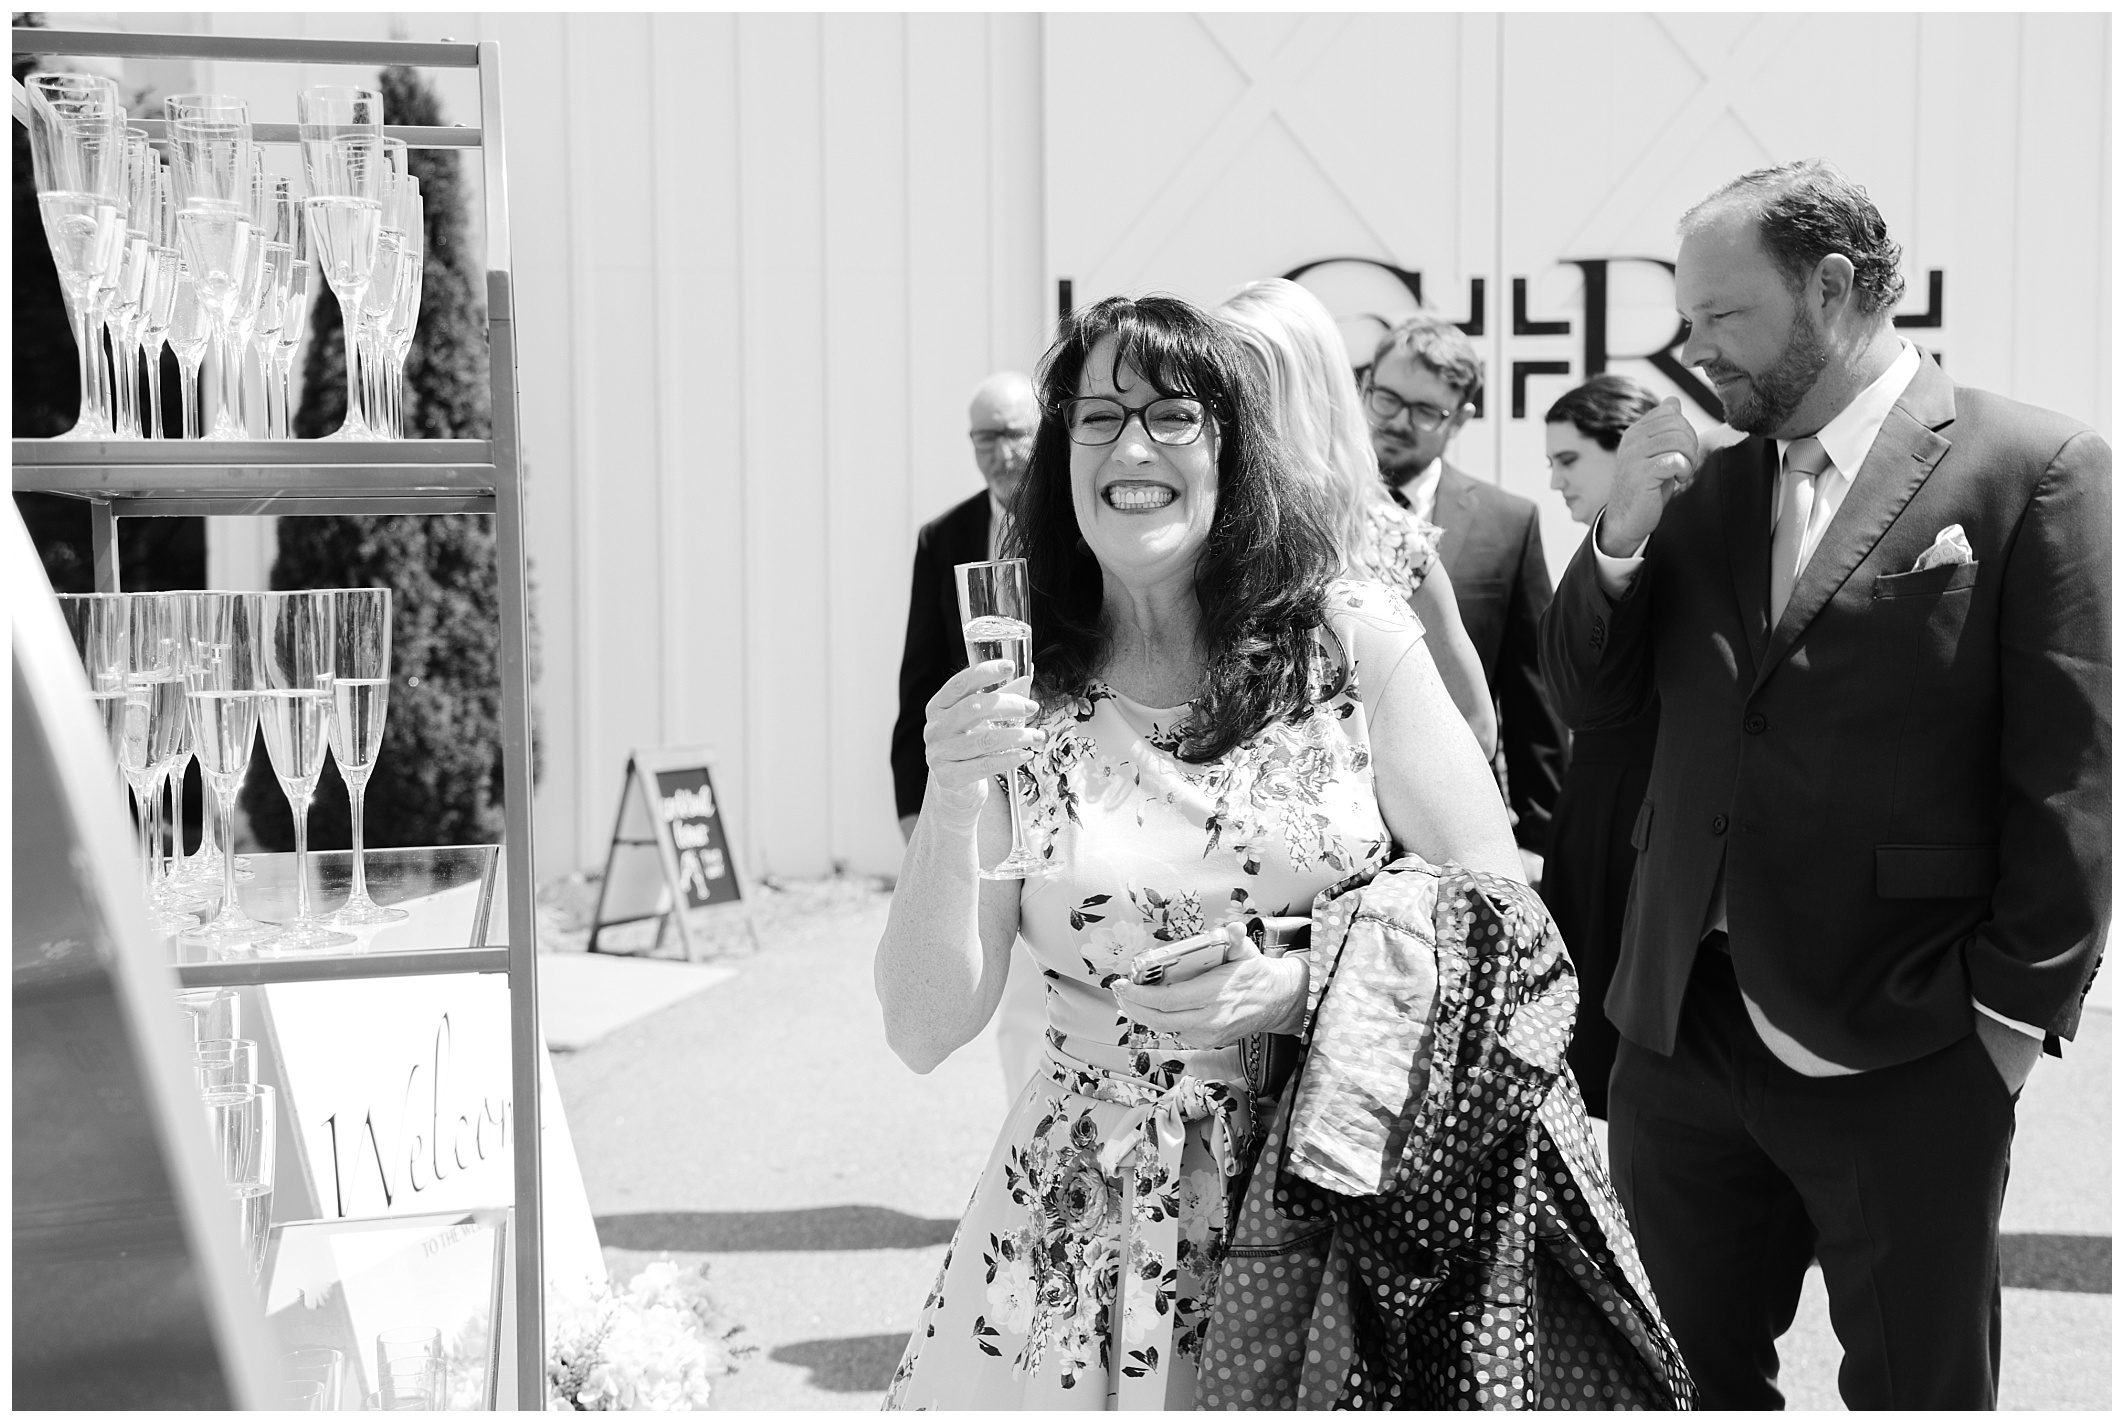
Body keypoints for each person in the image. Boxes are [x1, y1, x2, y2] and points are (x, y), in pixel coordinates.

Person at [876, 294, 1522, 1409]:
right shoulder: (1023, 690)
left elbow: (1505, 915)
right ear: (1061, 455)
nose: (1134, 446)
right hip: (1081, 1227)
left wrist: (1298, 986)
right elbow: (923, 1027)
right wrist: (950, 794)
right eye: (1098, 417)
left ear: (1236, 449)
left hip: (1325, 1193)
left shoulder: (1350, 639)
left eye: (1175, 414)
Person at [1538, 159, 2110, 1409]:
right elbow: (1593, 699)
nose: (1693, 351)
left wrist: (2003, 1031)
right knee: (1671, 1387)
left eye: (1721, 316)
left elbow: (2068, 779)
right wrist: (1619, 537)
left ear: (1835, 287)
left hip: (1907, 1043)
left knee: (1918, 1393)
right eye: (1685, 319)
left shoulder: (2036, 466)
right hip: (1680, 1038)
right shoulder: (1700, 485)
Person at [1215, 277, 1497, 758]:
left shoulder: (1390, 543)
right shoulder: (1185, 529)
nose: (1228, 415)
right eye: (1213, 390)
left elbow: (1474, 727)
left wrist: (1368, 798)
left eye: (1250, 392)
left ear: (1302, 396)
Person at [1364, 313, 1569, 882]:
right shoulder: (1307, 509)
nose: (1400, 422)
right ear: (1364, 387)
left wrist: (1536, 842)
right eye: (1387, 399)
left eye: (1427, 411)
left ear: (1462, 419)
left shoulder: (1509, 522)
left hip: (1457, 829)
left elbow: (1534, 698)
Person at [890, 370, 1048, 1101]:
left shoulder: (1077, 525)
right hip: (982, 789)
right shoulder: (943, 535)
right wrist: (918, 811)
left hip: (1059, 781)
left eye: (1014, 431)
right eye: (987, 436)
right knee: (994, 987)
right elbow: (919, 674)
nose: (1002, 450)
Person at [1535, 373, 1662, 1121]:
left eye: (1568, 459)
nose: (1552, 480)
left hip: (1648, 840)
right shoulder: (1601, 560)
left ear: (1628, 451)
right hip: (1592, 832)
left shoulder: (1705, 546)